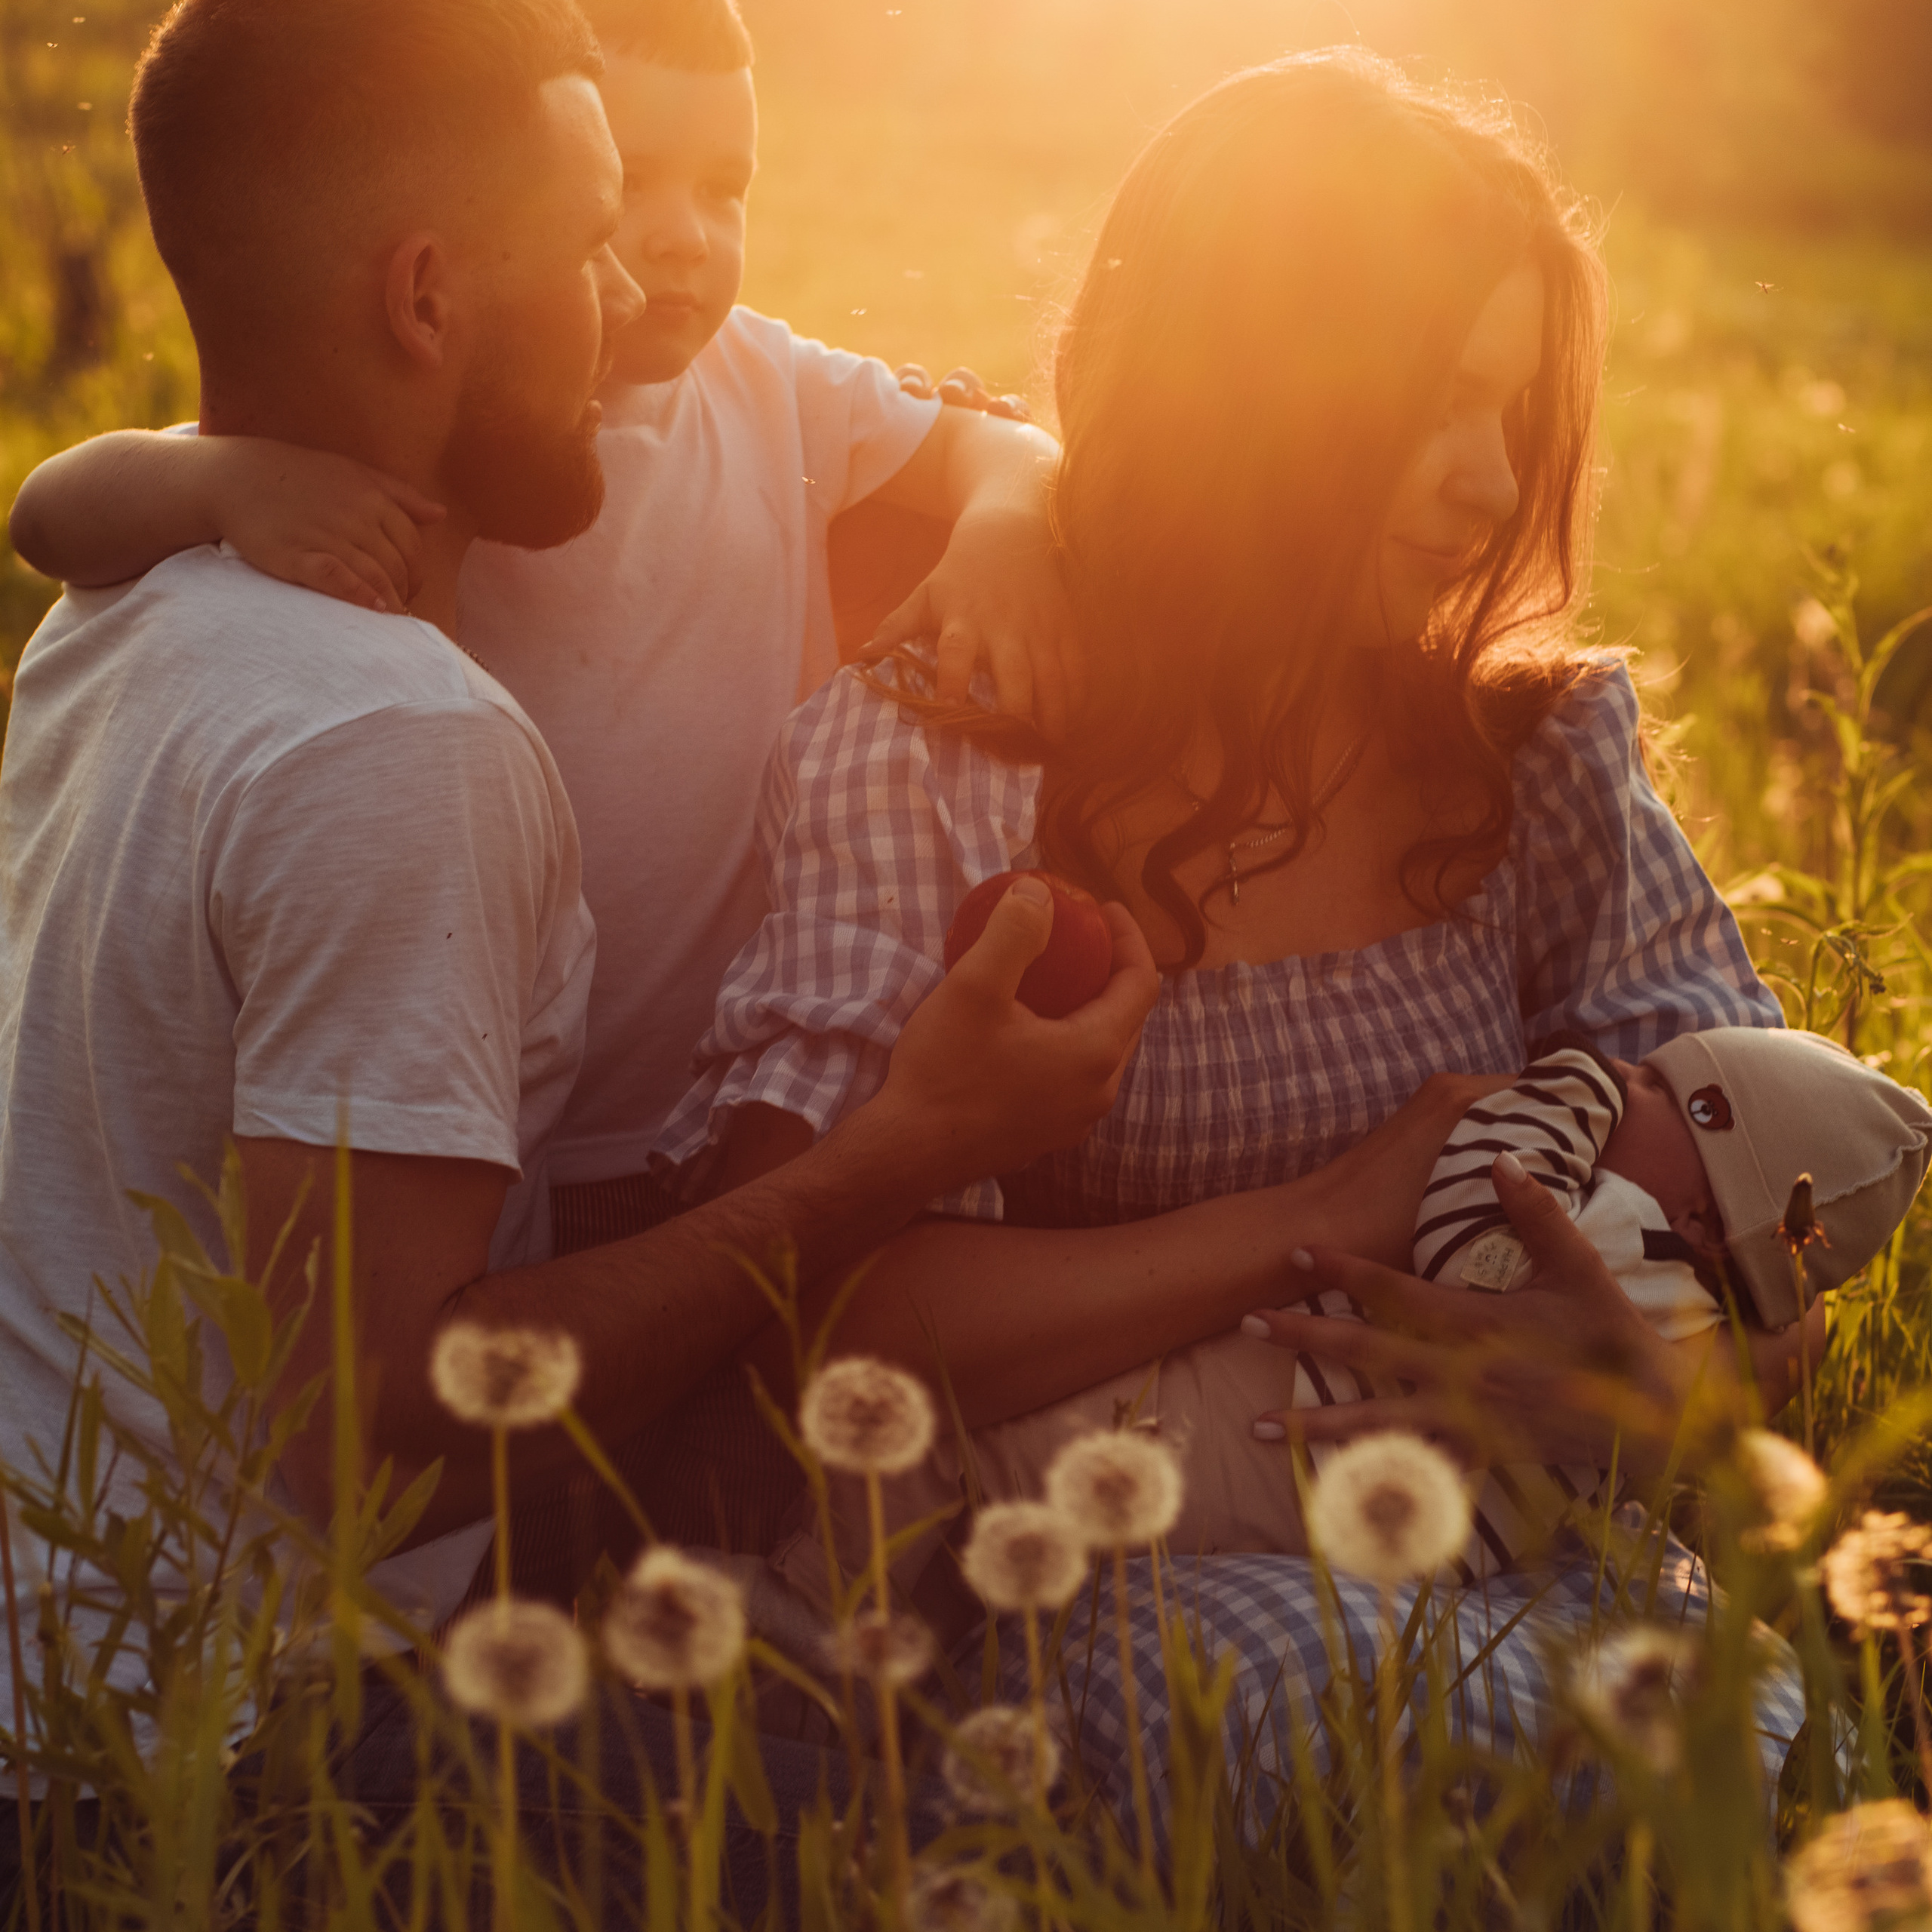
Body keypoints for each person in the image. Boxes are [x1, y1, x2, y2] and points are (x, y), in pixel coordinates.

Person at [0, 0, 1161, 1876]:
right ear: (432, 295)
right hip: (197, 1765)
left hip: (75, 1680)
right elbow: (381, 1446)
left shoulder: (132, 614)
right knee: (985, 1835)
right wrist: (902, 1155)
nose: (640, 291)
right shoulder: (405, 741)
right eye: (592, 235)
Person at [649, 50, 1829, 1795]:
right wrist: (1313, 1219)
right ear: (1240, 389)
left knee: (1715, 1742)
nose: (1489, 484)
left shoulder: (1531, 761)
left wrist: (1650, 1383)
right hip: (1090, 1566)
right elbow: (825, 1318)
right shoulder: (937, 765)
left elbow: (1763, 1251)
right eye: (1428, 404)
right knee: (1371, 1732)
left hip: (1516, 1533)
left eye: (1511, 413)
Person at [6, 0, 1075, 1276]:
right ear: (441, 280)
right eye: (610, 209)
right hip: (481, 1109)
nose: (664, 250)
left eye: (725, 189)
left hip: (674, 1105)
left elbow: (991, 447)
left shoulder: (755, 390)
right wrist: (224, 483)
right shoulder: (407, 486)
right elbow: (51, 508)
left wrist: (1006, 524)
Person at [774, 1026, 1931, 1623]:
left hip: (1293, 1456)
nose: (1626, 1077)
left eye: (1666, 1093)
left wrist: (1575, 1089)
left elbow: (1472, 1241)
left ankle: (818, 1624)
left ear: (1703, 1205)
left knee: (987, 1462)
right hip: (1355, 1523)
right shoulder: (1664, 1254)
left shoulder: (1603, 1206)